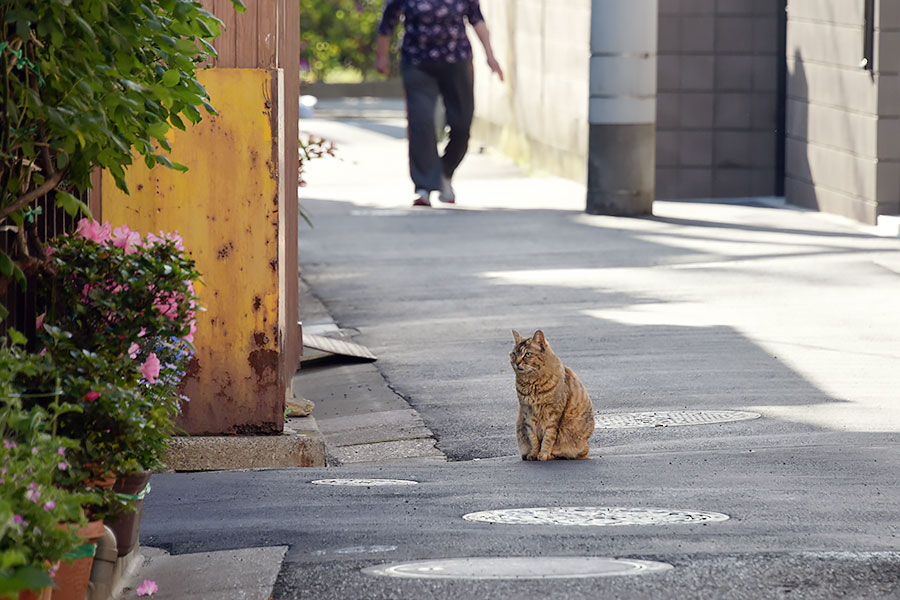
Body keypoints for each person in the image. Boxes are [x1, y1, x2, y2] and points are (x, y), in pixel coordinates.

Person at [375, 0, 504, 207]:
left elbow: (476, 18)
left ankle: (444, 172)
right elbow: (388, 20)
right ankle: (423, 187)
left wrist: (490, 56)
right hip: (417, 62)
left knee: (462, 125)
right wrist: (381, 56)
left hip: (457, 61)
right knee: (421, 122)